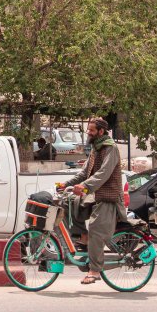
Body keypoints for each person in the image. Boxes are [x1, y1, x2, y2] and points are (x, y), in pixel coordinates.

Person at [60, 117, 125, 286]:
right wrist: (66, 184)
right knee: (67, 202)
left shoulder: (111, 148)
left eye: (91, 130)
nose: (88, 133)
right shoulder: (96, 148)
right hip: (94, 195)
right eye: (88, 130)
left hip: (108, 197)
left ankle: (95, 270)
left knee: (96, 229)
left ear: (101, 132)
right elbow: (84, 173)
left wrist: (85, 186)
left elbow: (103, 174)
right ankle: (83, 236)